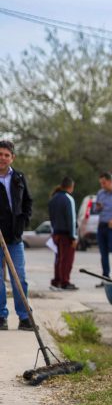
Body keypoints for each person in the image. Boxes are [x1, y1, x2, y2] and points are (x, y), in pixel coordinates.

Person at [0, 139, 33, 330]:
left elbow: (28, 202)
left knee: (19, 277)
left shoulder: (19, 178)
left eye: (6, 155)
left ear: (12, 157)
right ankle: (1, 316)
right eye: (0, 154)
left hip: (14, 237)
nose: (2, 158)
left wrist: (23, 222)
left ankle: (24, 316)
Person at [48, 177, 78, 291]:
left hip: (56, 233)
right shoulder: (68, 199)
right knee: (66, 259)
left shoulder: (53, 199)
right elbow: (72, 219)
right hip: (66, 234)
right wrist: (73, 236)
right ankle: (65, 281)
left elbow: (51, 218)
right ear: (71, 186)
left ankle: (57, 280)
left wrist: (53, 232)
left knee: (58, 258)